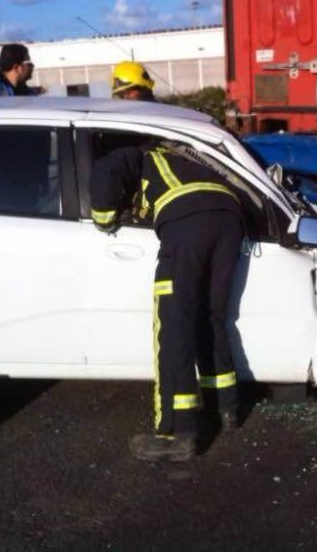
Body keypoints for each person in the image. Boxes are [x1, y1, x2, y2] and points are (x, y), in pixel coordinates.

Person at [90, 138, 244, 462]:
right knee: (210, 317)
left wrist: (103, 216)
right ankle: (225, 410)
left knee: (174, 325)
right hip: (229, 216)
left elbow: (108, 169)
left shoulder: (139, 154)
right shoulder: (183, 157)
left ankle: (176, 432)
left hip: (188, 220)